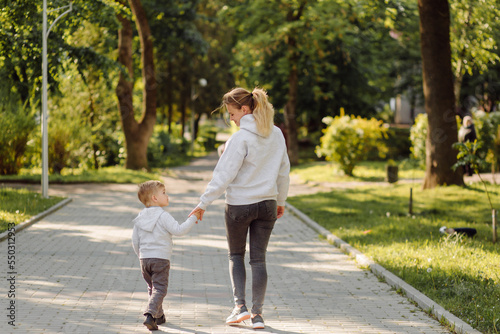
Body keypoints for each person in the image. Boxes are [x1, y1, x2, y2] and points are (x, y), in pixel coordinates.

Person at [190, 87, 290, 329]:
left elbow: (223, 175)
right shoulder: (276, 134)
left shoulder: (239, 138)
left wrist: (203, 203)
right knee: (259, 260)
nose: (231, 119)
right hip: (267, 205)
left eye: (232, 114)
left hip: (239, 206)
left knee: (236, 256)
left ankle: (239, 308)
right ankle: (257, 315)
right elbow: (284, 171)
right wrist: (281, 201)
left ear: (245, 109)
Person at [132, 180, 201, 331]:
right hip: (160, 259)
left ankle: (159, 316)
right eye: (164, 193)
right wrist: (194, 217)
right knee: (160, 289)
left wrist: (141, 256)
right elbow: (179, 230)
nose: (167, 195)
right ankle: (150, 314)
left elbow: (135, 240)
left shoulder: (140, 217)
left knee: (152, 287)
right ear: (155, 198)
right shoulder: (163, 216)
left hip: (144, 259)